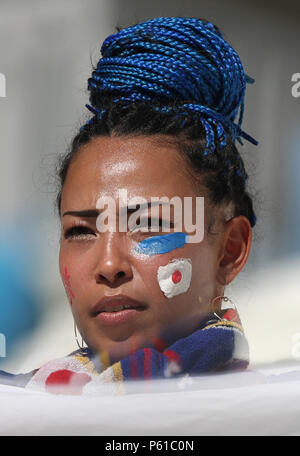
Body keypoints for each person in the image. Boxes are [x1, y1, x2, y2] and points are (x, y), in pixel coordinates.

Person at [0, 16, 258, 395]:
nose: (108, 265)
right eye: (80, 231)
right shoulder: (33, 402)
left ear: (229, 251)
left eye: (148, 224)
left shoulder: (272, 417)